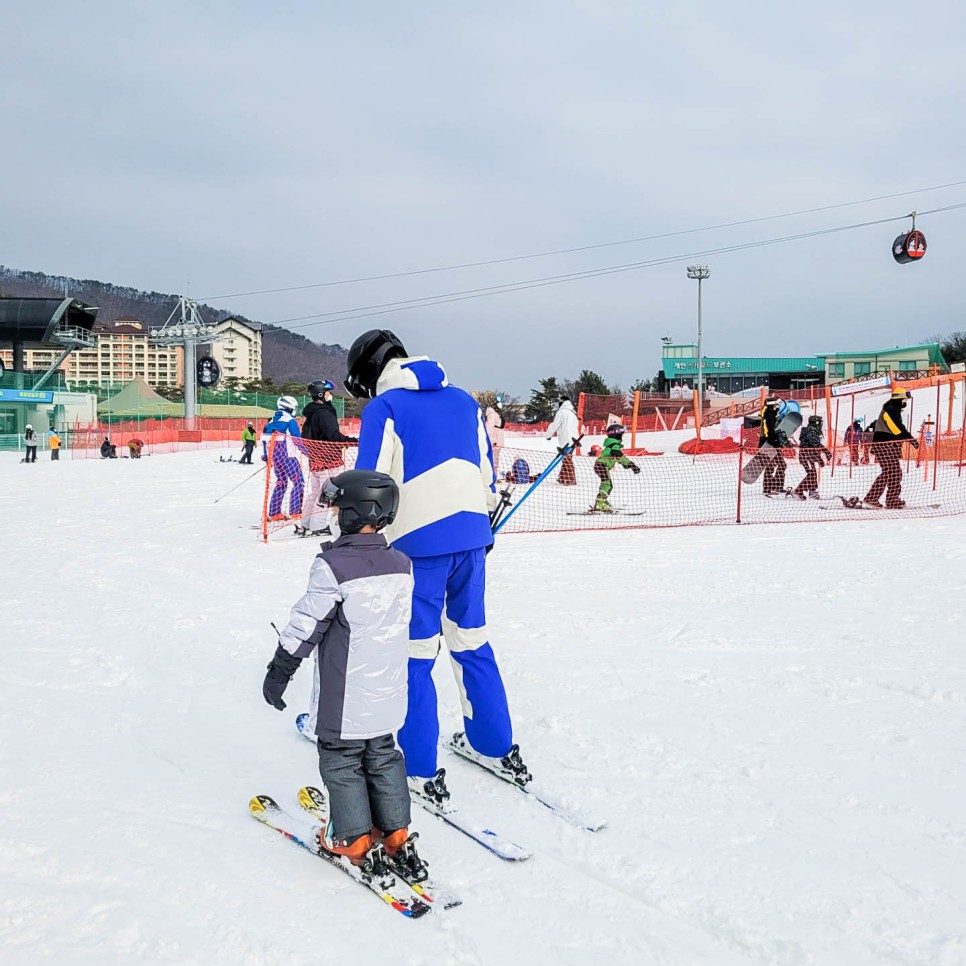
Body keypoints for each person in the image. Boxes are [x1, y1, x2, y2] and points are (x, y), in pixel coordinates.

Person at [345, 329, 524, 799]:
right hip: (470, 539)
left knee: (415, 654)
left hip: (416, 548)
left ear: (367, 374)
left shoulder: (384, 409)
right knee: (471, 640)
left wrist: (352, 542)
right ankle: (494, 742)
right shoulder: (464, 401)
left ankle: (417, 765)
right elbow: (486, 473)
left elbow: (369, 484)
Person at [261, 470, 423, 871]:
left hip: (346, 695)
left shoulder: (332, 566)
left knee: (341, 758)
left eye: (337, 507)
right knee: (383, 754)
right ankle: (395, 833)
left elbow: (307, 624)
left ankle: (350, 838)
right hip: (388, 690)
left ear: (353, 513)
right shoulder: (401, 564)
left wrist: (280, 669)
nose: (332, 513)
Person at [297, 380, 358, 537]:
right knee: (327, 492)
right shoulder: (324, 412)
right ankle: (318, 525)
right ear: (321, 394)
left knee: (316, 492)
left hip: (316, 460)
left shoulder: (311, 414)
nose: (330, 395)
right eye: (328, 392)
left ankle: (306, 523)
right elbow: (333, 436)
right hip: (328, 459)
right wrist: (352, 441)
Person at [864, 388, 918, 509]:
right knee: (891, 472)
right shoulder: (890, 409)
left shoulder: (893, 409)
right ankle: (874, 498)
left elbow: (896, 429)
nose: (905, 402)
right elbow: (896, 428)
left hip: (886, 445)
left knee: (893, 472)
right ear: (899, 399)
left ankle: (890, 499)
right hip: (883, 445)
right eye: (904, 400)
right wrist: (910, 438)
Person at [261, 395, 305, 522]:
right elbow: (297, 439)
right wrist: (308, 452)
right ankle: (295, 511)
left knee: (281, 483)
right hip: (288, 457)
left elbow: (264, 440)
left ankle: (274, 513)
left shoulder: (270, 422)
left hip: (275, 458)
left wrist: (267, 457)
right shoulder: (290, 421)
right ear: (290, 407)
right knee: (298, 482)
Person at [591, 424, 640, 512]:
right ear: (617, 434)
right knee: (607, 485)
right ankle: (600, 503)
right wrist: (632, 465)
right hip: (602, 466)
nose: (622, 436)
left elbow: (618, 457)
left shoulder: (612, 444)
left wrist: (628, 464)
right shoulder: (614, 446)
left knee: (608, 484)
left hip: (600, 466)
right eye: (621, 434)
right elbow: (619, 456)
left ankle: (602, 501)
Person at [792, 415, 832, 499]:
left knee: (813, 474)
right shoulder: (811, 431)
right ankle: (798, 491)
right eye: (820, 422)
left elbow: (813, 448)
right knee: (811, 474)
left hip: (810, 456)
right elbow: (815, 444)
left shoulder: (814, 431)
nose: (821, 424)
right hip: (806, 457)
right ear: (816, 423)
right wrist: (825, 451)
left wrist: (819, 459)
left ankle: (812, 490)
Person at [545, 395, 579, 484]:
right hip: (574, 438)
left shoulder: (561, 412)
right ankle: (563, 477)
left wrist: (548, 435)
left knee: (567, 458)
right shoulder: (573, 412)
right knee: (566, 458)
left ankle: (570, 479)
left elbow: (554, 425)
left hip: (566, 439)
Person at [759, 395, 789, 495]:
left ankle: (776, 486)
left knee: (781, 465)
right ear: (772, 405)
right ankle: (767, 488)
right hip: (768, 443)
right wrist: (774, 441)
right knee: (771, 465)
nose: (778, 407)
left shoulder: (773, 414)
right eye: (777, 405)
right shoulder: (769, 415)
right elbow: (769, 431)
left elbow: (775, 430)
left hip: (772, 442)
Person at [484, 396, 506, 477]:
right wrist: (493, 441)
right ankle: (492, 477)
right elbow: (489, 428)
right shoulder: (492, 415)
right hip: (494, 443)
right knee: (493, 461)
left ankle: (494, 476)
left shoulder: (496, 414)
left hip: (497, 442)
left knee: (495, 461)